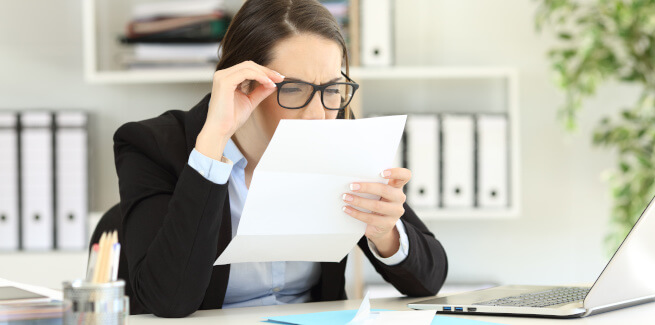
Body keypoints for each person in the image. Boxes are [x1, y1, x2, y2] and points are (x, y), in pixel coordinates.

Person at [113, 0, 448, 318]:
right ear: (244, 82)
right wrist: (212, 147)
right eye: (294, 89)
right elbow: (168, 299)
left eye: (332, 89)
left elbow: (431, 279)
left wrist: (385, 232)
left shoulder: (341, 136)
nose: (318, 115)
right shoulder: (151, 146)